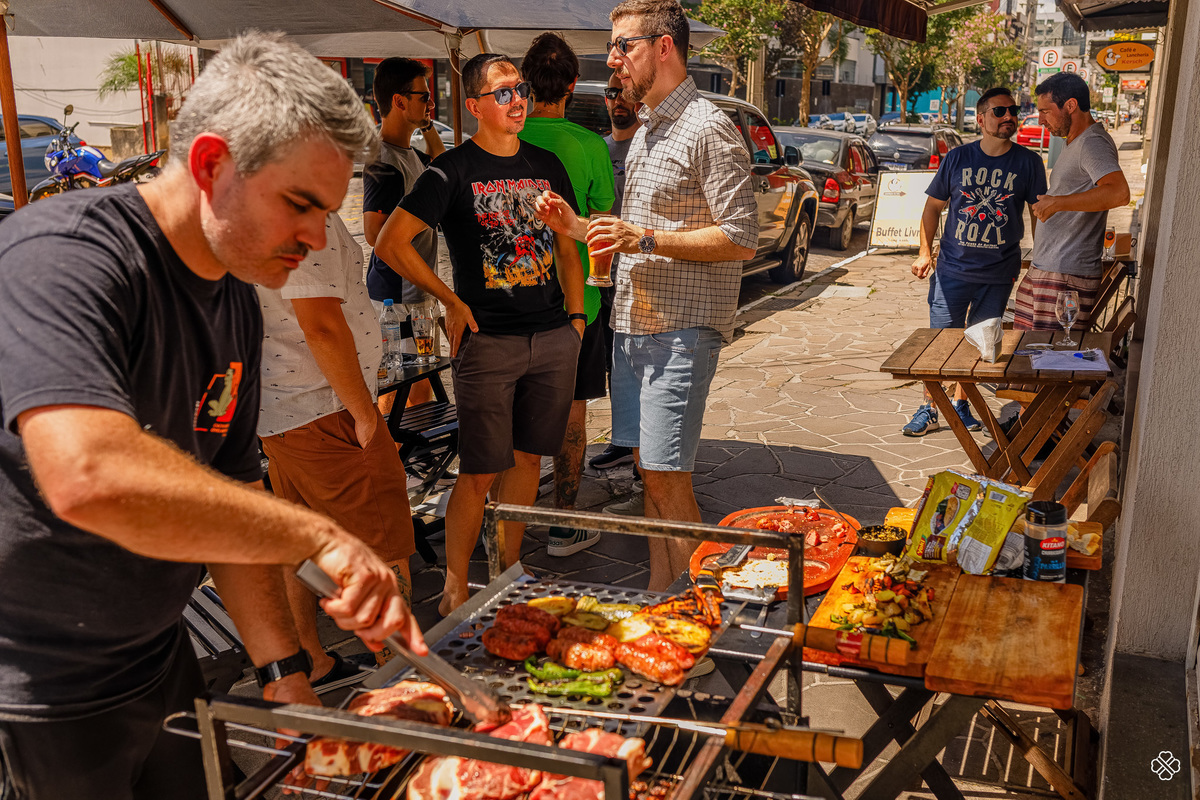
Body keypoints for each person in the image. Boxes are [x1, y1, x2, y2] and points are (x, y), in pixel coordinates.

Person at [0, 33, 423, 800]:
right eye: (300, 204)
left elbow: (231, 501)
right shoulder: (60, 258)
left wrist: (285, 676)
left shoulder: (234, 299)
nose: (317, 236)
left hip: (158, 657)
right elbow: (87, 474)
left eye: (328, 211)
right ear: (209, 164)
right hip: (33, 687)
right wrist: (317, 533)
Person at [535, 0, 758, 591]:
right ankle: (667, 598)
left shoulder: (709, 127)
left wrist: (645, 236)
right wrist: (577, 228)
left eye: (623, 45)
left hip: (680, 330)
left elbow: (741, 239)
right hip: (638, 326)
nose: (612, 59)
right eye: (612, 46)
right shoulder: (651, 125)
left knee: (665, 477)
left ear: (664, 47)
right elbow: (632, 237)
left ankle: (697, 614)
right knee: (652, 475)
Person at [373, 53, 585, 614]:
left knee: (527, 462)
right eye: (503, 93)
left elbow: (569, 247)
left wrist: (577, 318)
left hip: (551, 337)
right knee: (478, 471)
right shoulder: (451, 171)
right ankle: (455, 586)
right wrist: (451, 301)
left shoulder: (546, 164)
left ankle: (509, 571)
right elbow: (389, 242)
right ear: (474, 107)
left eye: (520, 90)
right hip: (488, 343)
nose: (517, 100)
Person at [258, 211, 417, 687]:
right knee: (383, 550)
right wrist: (365, 414)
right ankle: (402, 687)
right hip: (327, 410)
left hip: (284, 410)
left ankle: (312, 658)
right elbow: (321, 324)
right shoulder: (302, 213)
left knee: (301, 543)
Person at [517, 33, 617, 557]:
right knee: (572, 417)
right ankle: (564, 523)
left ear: (525, 85)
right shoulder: (590, 146)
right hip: (579, 307)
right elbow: (601, 225)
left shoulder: (500, 139)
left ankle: (506, 523)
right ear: (573, 86)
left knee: (513, 412)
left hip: (510, 303)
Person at [903, 88, 1047, 436]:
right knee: (940, 344)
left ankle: (961, 404)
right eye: (1000, 111)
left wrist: (1042, 258)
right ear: (981, 119)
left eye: (1012, 111)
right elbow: (933, 208)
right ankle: (929, 407)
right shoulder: (957, 158)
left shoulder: (1029, 162)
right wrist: (924, 252)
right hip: (952, 270)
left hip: (999, 273)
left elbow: (1039, 214)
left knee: (981, 345)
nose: (1008, 117)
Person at [1015, 71, 1130, 331]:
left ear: (1070, 105)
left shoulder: (1093, 143)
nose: (1041, 119)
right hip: (1049, 268)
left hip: (1065, 274)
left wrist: (1057, 203)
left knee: (1049, 359)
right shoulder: (1076, 142)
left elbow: (1119, 193)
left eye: (1045, 111)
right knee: (1026, 352)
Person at [364, 57, 446, 411]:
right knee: (396, 385)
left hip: (417, 290)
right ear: (398, 101)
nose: (430, 103)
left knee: (422, 382)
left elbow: (442, 165)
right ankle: (396, 461)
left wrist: (427, 125)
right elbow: (372, 234)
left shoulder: (411, 154)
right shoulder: (383, 161)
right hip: (395, 297)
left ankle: (414, 464)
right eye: (423, 97)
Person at [591, 71, 644, 480]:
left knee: (639, 364)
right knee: (614, 362)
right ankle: (624, 442)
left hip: (642, 276)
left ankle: (645, 449)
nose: (618, 101)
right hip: (603, 277)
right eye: (612, 94)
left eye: (625, 93)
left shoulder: (647, 145)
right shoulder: (599, 148)